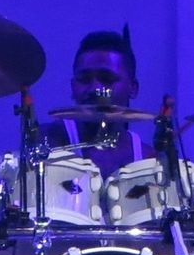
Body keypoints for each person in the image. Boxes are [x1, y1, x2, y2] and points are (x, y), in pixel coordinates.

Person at [46, 27, 145, 178]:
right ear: (72, 87)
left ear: (133, 88)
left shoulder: (148, 157)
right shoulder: (49, 142)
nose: (94, 88)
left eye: (107, 79)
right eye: (84, 79)